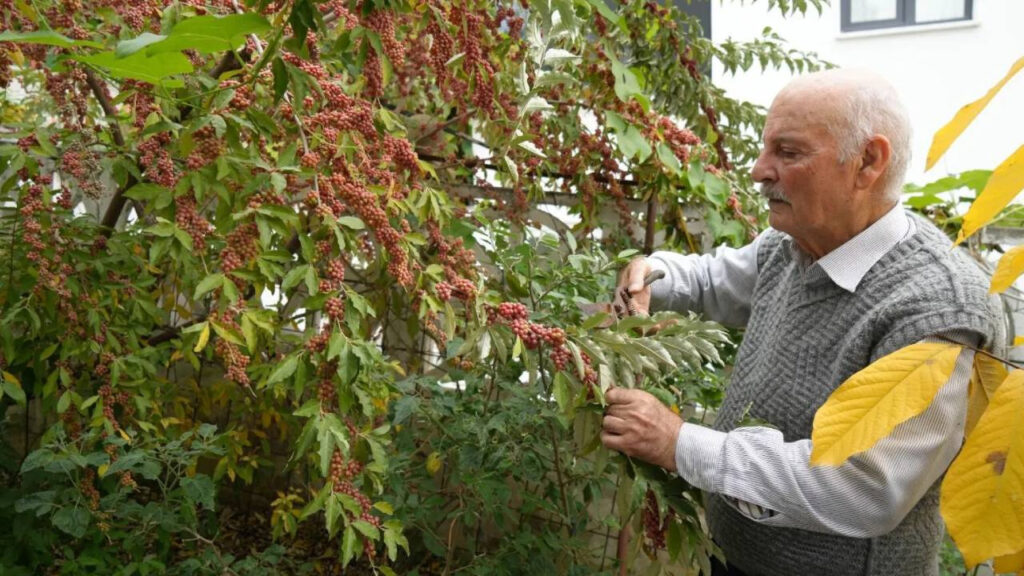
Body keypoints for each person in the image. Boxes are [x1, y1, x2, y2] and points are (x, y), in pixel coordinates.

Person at [600, 69, 1003, 576]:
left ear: (867, 162)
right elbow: (712, 280)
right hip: (735, 557)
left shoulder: (936, 309)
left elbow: (866, 489)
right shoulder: (795, 243)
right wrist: (656, 276)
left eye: (788, 153)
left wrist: (680, 444)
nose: (759, 170)